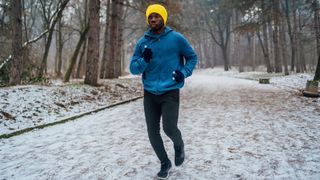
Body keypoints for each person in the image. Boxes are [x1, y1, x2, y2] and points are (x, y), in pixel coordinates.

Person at [129, 4, 198, 179]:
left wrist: (183, 73)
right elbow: (133, 69)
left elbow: (192, 57)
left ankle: (179, 144)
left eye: (157, 16)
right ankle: (164, 163)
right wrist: (144, 61)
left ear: (163, 18)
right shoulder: (142, 42)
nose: (153, 19)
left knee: (169, 128)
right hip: (150, 93)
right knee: (152, 131)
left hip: (170, 91)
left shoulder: (176, 39)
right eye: (150, 17)